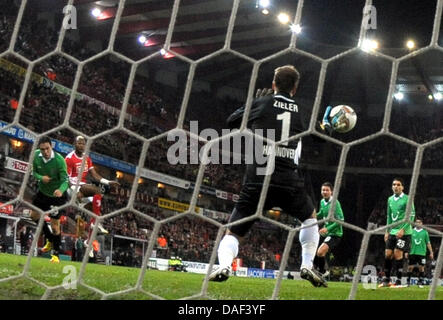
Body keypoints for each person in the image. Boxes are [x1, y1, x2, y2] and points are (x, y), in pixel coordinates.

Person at [209, 65, 328, 287]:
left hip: (257, 180)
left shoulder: (261, 103)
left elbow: (231, 121)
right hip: (289, 182)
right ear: (295, 87)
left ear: (274, 84)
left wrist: (254, 103)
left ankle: (224, 264)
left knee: (234, 231)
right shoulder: (302, 110)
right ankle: (307, 264)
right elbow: (321, 137)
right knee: (311, 218)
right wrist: (327, 127)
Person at [65, 136, 119, 251]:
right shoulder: (69, 158)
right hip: (73, 187)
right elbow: (66, 178)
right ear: (74, 144)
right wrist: (74, 191)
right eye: (79, 143)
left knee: (96, 215)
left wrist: (108, 182)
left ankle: (87, 241)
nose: (81, 145)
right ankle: (94, 223)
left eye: (83, 144)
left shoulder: (87, 159)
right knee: (97, 191)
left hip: (83, 186)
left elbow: (95, 175)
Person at [31, 136, 69, 263]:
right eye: (42, 149)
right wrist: (41, 178)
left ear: (51, 146)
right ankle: (49, 239)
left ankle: (56, 255)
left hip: (56, 196)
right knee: (34, 216)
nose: (45, 152)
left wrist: (60, 190)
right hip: (43, 193)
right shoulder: (36, 156)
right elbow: (34, 172)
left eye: (47, 148)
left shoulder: (59, 161)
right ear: (39, 149)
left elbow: (65, 180)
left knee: (55, 226)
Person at [379, 177, 415, 287]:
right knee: (388, 254)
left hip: (404, 232)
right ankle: (386, 280)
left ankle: (400, 281)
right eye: (394, 184)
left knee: (398, 254)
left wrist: (403, 229)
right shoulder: (390, 199)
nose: (396, 186)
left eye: (398, 184)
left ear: (402, 187)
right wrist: (387, 231)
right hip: (392, 231)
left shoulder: (407, 199)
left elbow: (412, 215)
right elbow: (389, 216)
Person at [314, 182, 344, 278]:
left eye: (327, 190)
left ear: (331, 192)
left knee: (320, 251)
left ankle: (322, 272)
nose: (325, 192)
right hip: (327, 234)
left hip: (335, 234)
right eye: (323, 190)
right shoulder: (322, 202)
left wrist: (327, 228)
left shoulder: (335, 203)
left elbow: (341, 220)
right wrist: (312, 216)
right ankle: (322, 271)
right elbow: (322, 213)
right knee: (319, 252)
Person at [407, 218, 433, 287]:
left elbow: (428, 243)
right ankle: (408, 282)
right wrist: (406, 251)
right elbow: (408, 243)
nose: (418, 223)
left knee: (421, 268)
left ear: (422, 223)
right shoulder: (411, 231)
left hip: (422, 253)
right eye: (416, 222)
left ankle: (420, 282)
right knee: (410, 267)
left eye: (419, 222)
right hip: (412, 252)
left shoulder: (425, 232)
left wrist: (431, 252)